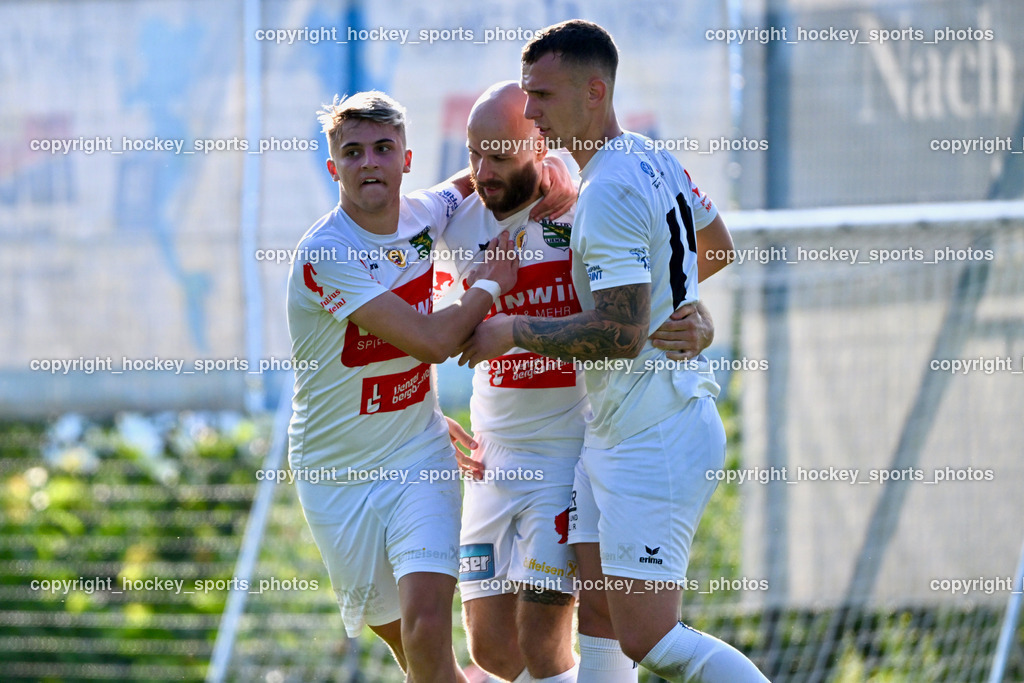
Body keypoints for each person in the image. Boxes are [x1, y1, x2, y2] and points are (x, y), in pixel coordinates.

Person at [459, 21, 769, 682]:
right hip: (611, 430)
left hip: (654, 433)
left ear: (594, 92)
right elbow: (714, 245)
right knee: (598, 616)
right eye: (527, 94)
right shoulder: (649, 157)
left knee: (652, 638)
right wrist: (676, 306)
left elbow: (620, 334)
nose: (531, 110)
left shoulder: (605, 192)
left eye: (543, 95)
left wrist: (511, 331)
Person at [285, 90, 571, 682]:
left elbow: (487, 168)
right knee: (415, 655)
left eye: (383, 148)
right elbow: (433, 341)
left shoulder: (428, 211)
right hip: (335, 475)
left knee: (426, 628)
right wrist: (489, 285)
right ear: (333, 166)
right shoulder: (326, 253)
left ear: (407, 159)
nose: (369, 163)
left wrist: (556, 171)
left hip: (418, 455)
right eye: (353, 152)